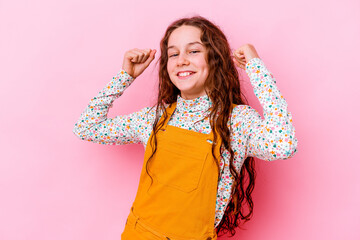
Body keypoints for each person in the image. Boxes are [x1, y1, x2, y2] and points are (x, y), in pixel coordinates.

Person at [72, 15, 298, 239]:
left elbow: (283, 145)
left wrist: (255, 67)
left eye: (193, 51)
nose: (181, 60)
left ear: (215, 58)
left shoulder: (237, 121)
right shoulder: (154, 118)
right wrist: (125, 76)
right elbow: (86, 127)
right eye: (173, 54)